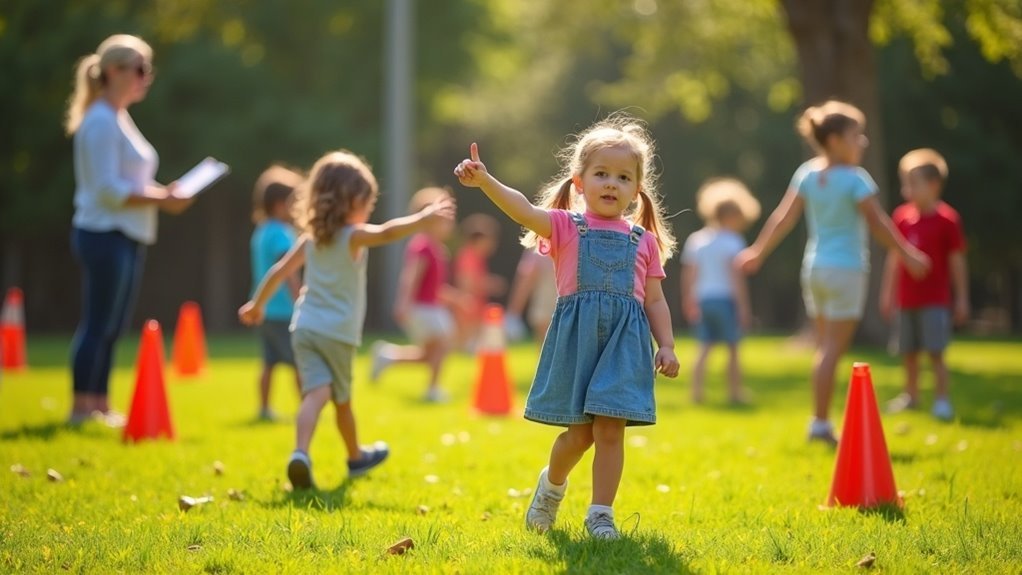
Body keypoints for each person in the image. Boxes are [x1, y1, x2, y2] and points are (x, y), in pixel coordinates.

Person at [454, 115, 680, 540]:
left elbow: (654, 299)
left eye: (623, 177)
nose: (612, 184)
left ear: (637, 189)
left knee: (611, 429)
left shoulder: (643, 241)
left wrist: (666, 345)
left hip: (624, 346)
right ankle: (551, 489)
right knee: (579, 437)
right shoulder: (564, 227)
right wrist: (486, 182)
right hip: (578, 342)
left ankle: (601, 514)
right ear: (579, 182)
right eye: (601, 174)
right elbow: (521, 207)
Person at [239, 151, 455, 488]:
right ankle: (355, 458)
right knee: (341, 400)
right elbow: (385, 233)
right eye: (367, 201)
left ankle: (300, 453)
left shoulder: (309, 239)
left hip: (304, 328)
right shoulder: (351, 235)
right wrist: (421, 220)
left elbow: (280, 272)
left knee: (314, 395)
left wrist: (257, 304)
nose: (369, 208)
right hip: (337, 334)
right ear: (352, 201)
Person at [736, 100, 930, 445]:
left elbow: (783, 217)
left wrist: (758, 252)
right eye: (858, 135)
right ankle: (821, 424)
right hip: (846, 271)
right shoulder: (856, 179)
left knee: (823, 348)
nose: (864, 142)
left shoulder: (808, 173)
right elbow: (879, 223)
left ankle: (820, 420)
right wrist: (908, 254)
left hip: (815, 270)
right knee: (831, 351)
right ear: (837, 140)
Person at [66, 34, 195, 427]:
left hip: (125, 234)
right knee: (98, 323)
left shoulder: (117, 117)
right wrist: (163, 198)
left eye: (148, 69)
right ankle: (81, 407)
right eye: (139, 69)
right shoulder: (102, 121)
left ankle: (99, 404)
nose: (146, 77)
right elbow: (107, 191)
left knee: (112, 325)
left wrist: (163, 195)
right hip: (104, 233)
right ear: (112, 71)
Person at [881, 149, 969, 421]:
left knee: (935, 353)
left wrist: (962, 298)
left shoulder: (948, 220)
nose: (906, 190)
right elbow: (894, 259)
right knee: (908, 352)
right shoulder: (901, 218)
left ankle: (942, 400)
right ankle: (911, 395)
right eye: (904, 183)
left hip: (935, 300)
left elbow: (956, 262)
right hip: (907, 299)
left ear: (933, 185)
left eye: (913, 183)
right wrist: (887, 294)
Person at [369, 187, 458, 403]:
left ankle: (388, 357)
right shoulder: (422, 246)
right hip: (422, 308)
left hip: (431, 306)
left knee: (429, 355)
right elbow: (411, 277)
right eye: (445, 219)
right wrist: (402, 302)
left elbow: (435, 287)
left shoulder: (438, 249)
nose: (449, 224)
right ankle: (433, 389)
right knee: (443, 343)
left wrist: (457, 299)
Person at [681, 178, 760, 405]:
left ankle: (696, 392)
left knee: (704, 347)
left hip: (703, 299)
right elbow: (737, 278)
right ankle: (735, 392)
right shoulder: (734, 241)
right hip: (726, 300)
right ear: (733, 215)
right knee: (733, 348)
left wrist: (689, 299)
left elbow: (689, 274)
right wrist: (744, 307)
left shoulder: (697, 240)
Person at [249, 165, 304, 421]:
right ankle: (307, 407)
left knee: (269, 362)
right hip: (284, 310)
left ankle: (264, 408)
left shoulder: (260, 232)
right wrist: (299, 298)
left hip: (264, 308)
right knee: (299, 362)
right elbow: (287, 270)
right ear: (281, 204)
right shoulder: (282, 233)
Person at [452, 213, 506, 350]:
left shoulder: (478, 258)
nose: (493, 244)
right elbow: (466, 284)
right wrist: (491, 284)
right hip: (468, 313)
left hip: (475, 311)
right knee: (465, 349)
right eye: (490, 240)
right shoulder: (468, 257)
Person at [505, 248, 557, 344]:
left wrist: (514, 312)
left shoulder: (538, 245)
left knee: (546, 347)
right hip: (570, 297)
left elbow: (528, 279)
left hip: (546, 300)